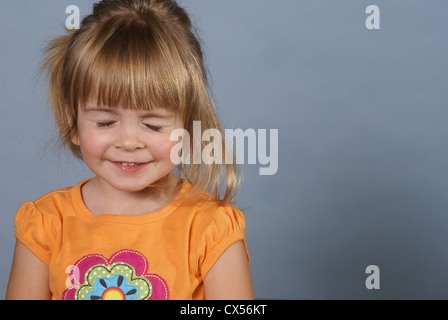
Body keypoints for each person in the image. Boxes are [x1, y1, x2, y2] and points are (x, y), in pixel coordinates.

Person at [6, 0, 253, 300]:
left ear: (188, 126)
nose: (128, 142)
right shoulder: (45, 225)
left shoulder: (210, 229)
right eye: (106, 121)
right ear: (73, 122)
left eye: (153, 125)